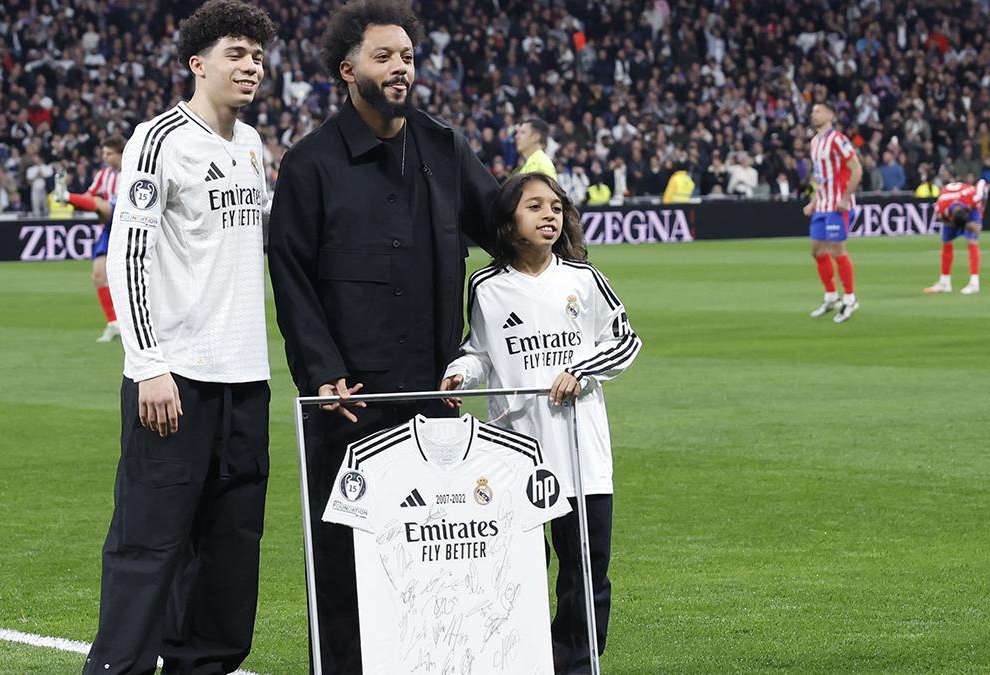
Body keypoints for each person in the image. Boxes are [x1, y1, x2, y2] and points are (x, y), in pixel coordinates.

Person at [267, 1, 498, 671]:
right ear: (348, 70)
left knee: (436, 568)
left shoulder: (445, 147)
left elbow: (502, 228)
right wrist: (320, 371)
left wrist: (549, 231)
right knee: (342, 571)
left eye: (407, 57)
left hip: (434, 405)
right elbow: (291, 276)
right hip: (348, 401)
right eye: (384, 57)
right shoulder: (309, 163)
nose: (401, 69)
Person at [83, 2, 276, 673]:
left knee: (229, 548)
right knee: (149, 544)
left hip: (247, 381)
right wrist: (149, 364)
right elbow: (130, 255)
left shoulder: (252, 146)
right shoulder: (159, 139)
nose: (251, 65)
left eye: (257, 55)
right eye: (236, 53)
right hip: (176, 377)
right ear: (198, 63)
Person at [441, 172, 641, 674]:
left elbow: (625, 341)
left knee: (585, 575)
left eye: (555, 206)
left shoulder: (584, 279)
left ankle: (575, 666)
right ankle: (523, 662)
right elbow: (480, 352)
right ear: (509, 221)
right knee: (519, 574)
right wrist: (459, 375)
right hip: (516, 458)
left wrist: (580, 370)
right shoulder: (486, 287)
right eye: (534, 207)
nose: (549, 215)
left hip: (582, 456)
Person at [55, 136, 125, 342]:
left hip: (128, 222)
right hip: (109, 227)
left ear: (120, 153)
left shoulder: (133, 169)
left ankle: (64, 195)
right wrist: (74, 201)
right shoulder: (104, 174)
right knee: (98, 275)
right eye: (103, 153)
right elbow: (89, 197)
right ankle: (113, 324)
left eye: (108, 153)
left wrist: (68, 198)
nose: (104, 157)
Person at [804, 101, 863, 323]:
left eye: (818, 111)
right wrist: (814, 201)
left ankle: (850, 299)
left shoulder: (839, 140)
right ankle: (831, 296)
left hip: (838, 204)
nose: (814, 114)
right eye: (812, 111)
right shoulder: (814, 143)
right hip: (823, 204)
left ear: (831, 115)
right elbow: (821, 177)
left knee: (838, 250)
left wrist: (845, 198)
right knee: (817, 250)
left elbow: (856, 168)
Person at [923, 180, 984, 295]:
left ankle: (974, 283)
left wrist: (977, 222)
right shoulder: (941, 206)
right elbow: (944, 219)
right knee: (946, 242)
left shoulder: (973, 197)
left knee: (972, 241)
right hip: (953, 212)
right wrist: (966, 225)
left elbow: (981, 183)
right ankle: (945, 283)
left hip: (971, 212)